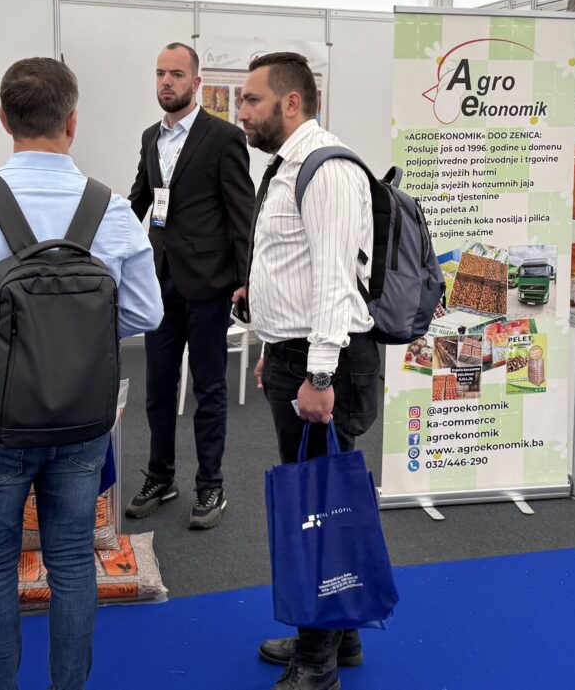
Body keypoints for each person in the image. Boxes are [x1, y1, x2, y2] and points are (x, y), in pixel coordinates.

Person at [0, 57, 162, 690]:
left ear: (2, 119)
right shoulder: (111, 209)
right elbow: (145, 313)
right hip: (83, 409)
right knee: (73, 560)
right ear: (72, 121)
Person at [234, 52, 380, 690]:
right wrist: (274, 344)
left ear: (290, 103)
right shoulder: (288, 166)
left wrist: (319, 376)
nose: (241, 112)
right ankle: (340, 637)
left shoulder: (327, 169)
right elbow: (296, 272)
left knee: (318, 508)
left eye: (251, 100)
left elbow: (333, 283)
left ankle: (317, 664)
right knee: (322, 499)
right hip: (296, 352)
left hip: (325, 361)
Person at [126, 42, 254, 529]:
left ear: (196, 83)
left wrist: (245, 280)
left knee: (209, 388)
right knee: (158, 388)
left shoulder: (223, 137)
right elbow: (138, 201)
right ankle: (161, 477)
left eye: (177, 74)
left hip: (208, 284)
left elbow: (241, 213)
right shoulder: (150, 137)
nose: (167, 81)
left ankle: (210, 485)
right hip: (158, 283)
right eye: (161, 73)